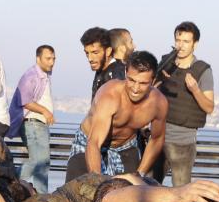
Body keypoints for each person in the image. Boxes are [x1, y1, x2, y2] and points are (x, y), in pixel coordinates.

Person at [66, 51, 168, 179]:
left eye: (143, 83)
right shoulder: (109, 96)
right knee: (78, 193)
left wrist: (139, 174)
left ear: (152, 80)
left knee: (130, 195)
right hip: (89, 143)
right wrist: (96, 181)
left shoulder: (159, 103)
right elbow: (94, 142)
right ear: (126, 73)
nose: (135, 89)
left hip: (125, 146)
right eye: (131, 80)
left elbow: (157, 139)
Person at [156, 21, 215, 187]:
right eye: (178, 40)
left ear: (195, 44)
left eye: (186, 42)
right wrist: (158, 80)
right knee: (147, 188)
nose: (180, 46)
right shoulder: (164, 64)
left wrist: (195, 89)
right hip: (158, 138)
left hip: (183, 143)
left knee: (181, 194)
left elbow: (209, 107)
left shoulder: (202, 70)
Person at [8, 45, 55, 192]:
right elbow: (25, 101)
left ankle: (41, 195)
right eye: (48, 59)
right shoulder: (31, 76)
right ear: (38, 58)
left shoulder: (42, 75)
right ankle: (9, 178)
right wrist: (45, 111)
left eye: (54, 59)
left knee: (41, 163)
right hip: (33, 124)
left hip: (37, 124)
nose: (52, 62)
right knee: (39, 162)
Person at [81, 26, 124, 99]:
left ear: (108, 51)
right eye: (87, 53)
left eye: (95, 52)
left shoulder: (117, 74)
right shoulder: (101, 70)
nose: (90, 58)